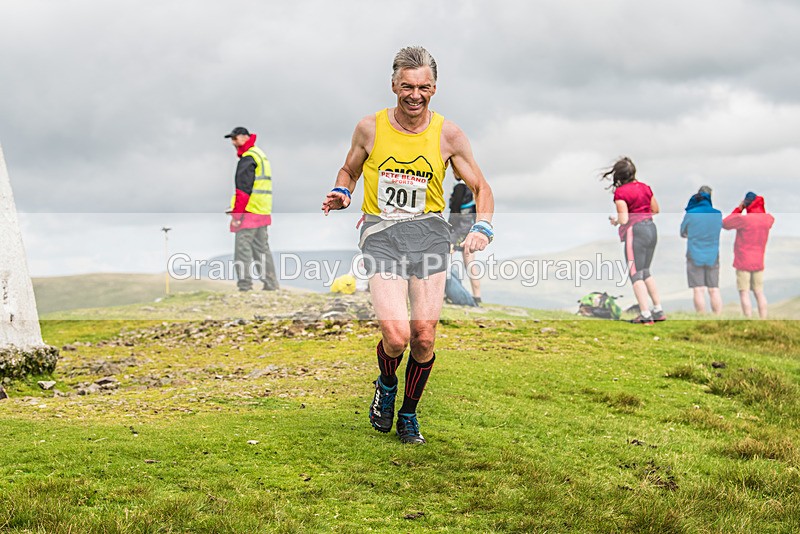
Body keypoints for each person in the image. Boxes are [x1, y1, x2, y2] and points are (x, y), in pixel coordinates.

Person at [321, 46, 494, 444]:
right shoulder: (371, 128)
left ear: (434, 87)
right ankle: (386, 385)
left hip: (431, 234)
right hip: (382, 233)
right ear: (394, 85)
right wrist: (341, 192)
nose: (415, 95)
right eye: (407, 86)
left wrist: (483, 228)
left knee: (424, 337)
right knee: (396, 337)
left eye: (424, 87)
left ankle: (409, 414)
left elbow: (482, 186)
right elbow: (349, 169)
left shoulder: (448, 134)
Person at [604, 157, 665, 325]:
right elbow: (656, 210)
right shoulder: (645, 188)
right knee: (646, 271)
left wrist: (615, 220)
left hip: (635, 231)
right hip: (651, 229)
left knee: (635, 273)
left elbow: (624, 219)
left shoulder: (621, 193)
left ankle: (645, 314)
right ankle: (658, 310)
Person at [224, 126, 279, 292]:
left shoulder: (248, 158)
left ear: (245, 137)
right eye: (232, 139)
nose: (233, 142)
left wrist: (237, 215)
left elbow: (243, 190)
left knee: (243, 250)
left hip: (249, 212)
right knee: (262, 250)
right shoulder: (260, 155)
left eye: (236, 138)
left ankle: (245, 286)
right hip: (262, 210)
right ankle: (271, 285)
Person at [722, 192, 775, 318]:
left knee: (744, 292)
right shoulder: (767, 219)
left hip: (743, 261)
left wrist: (739, 209)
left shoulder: (744, 220)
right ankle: (763, 318)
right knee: (759, 291)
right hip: (759, 261)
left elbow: (725, 223)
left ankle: (748, 318)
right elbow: (769, 219)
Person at [680, 185, 723, 314]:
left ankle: (701, 316)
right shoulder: (717, 214)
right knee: (714, 289)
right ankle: (718, 317)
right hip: (713, 255)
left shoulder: (690, 214)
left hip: (694, 254)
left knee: (698, 289)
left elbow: (683, 233)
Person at [448, 171, 482, 304]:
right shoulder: (472, 188)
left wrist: (449, 227)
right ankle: (477, 296)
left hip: (458, 228)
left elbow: (455, 209)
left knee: (445, 258)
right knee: (471, 264)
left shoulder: (460, 188)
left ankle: (448, 291)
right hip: (470, 227)